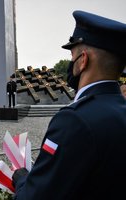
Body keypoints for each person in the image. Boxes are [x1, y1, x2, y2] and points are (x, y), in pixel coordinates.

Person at [12, 10, 126, 200]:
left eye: (72, 55)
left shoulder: (74, 120)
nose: (70, 63)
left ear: (83, 60)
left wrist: (22, 179)